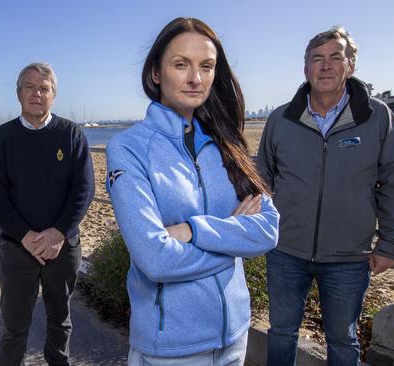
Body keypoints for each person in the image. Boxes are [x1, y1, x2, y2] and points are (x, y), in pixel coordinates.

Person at [106, 18, 279, 365]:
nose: (195, 78)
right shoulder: (129, 148)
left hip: (234, 338)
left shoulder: (227, 142)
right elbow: (154, 259)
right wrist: (232, 241)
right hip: (171, 348)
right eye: (181, 64)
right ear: (156, 73)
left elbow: (268, 228)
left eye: (206, 66)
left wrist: (191, 231)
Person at [256, 26, 394, 366]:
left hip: (349, 256)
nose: (325, 66)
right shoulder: (281, 118)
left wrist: (389, 245)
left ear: (351, 66)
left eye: (335, 57)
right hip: (285, 251)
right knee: (281, 332)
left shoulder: (377, 117)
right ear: (306, 68)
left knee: (343, 339)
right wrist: (259, 231)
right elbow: (262, 179)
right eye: (317, 59)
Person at [0, 62, 95, 366]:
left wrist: (59, 232)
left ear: (53, 95)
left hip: (63, 248)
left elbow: (83, 191)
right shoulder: (1, 138)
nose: (37, 93)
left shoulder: (72, 135)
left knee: (61, 323)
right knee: (14, 328)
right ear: (19, 93)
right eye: (30, 87)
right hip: (17, 249)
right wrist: (25, 235)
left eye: (44, 88)